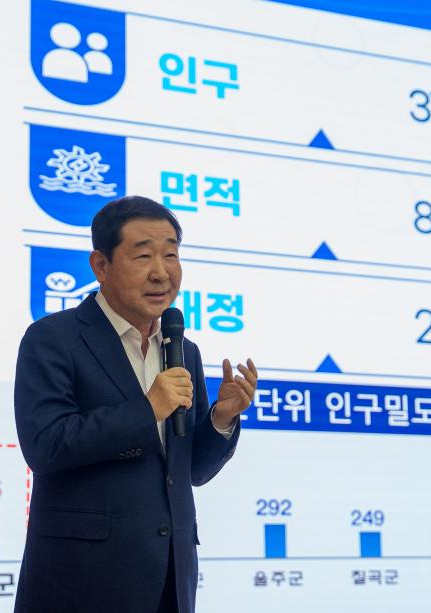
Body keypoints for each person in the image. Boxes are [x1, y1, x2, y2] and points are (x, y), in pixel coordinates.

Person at [14, 195, 257, 612]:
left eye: (171, 255)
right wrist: (147, 410)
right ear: (101, 265)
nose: (161, 272)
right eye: (143, 256)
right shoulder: (53, 338)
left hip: (170, 579)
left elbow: (192, 471)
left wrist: (221, 419)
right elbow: (46, 446)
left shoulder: (183, 350)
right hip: (81, 581)